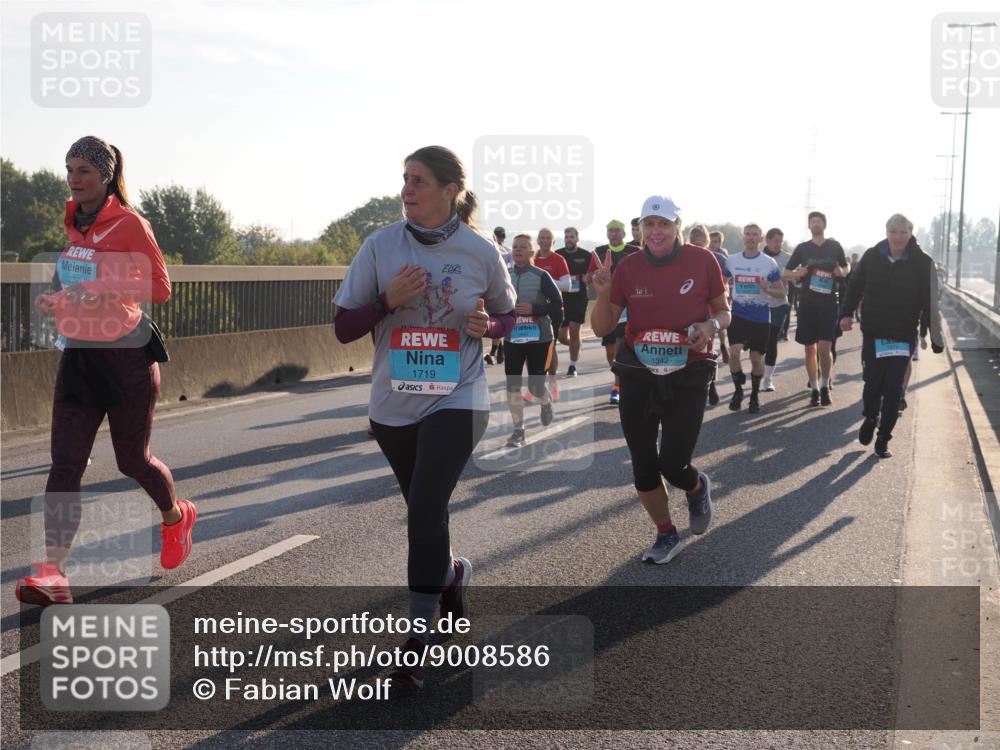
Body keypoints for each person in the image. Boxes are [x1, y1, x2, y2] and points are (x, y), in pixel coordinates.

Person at [333, 145, 516, 689]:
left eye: (419, 181)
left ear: (449, 190)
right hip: (392, 404)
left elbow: (507, 316)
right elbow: (343, 328)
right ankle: (452, 573)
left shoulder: (481, 251)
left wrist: (490, 328)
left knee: (426, 507)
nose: (407, 189)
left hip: (459, 395)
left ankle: (417, 639)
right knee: (425, 511)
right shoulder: (381, 245)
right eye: (405, 179)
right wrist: (387, 300)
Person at [16, 136, 191, 607]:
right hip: (80, 356)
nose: (73, 179)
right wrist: (59, 299)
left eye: (83, 171)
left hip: (127, 359)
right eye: (69, 169)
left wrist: (100, 283)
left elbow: (159, 286)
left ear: (106, 176)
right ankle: (52, 572)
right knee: (65, 463)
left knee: (132, 461)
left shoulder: (131, 223)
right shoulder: (74, 222)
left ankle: (175, 517)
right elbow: (79, 281)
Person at [591, 196, 731, 564]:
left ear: (676, 227)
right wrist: (603, 291)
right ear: (640, 229)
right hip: (638, 370)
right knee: (642, 462)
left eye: (663, 225)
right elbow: (603, 327)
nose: (655, 232)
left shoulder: (703, 260)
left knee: (673, 462)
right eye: (649, 225)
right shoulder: (629, 266)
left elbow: (723, 311)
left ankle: (696, 486)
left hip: (689, 369)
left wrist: (709, 325)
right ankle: (666, 533)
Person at [839, 214, 942, 458]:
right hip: (874, 332)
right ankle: (871, 417)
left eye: (902, 232)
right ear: (886, 232)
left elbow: (931, 301)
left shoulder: (923, 262)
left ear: (910, 233)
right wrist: (846, 314)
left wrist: (934, 336)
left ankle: (884, 438)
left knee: (894, 387)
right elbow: (855, 285)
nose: (897, 237)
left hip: (903, 334)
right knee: (873, 383)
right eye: (893, 232)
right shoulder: (872, 256)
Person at [782, 211, 849, 407]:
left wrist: (841, 271)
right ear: (809, 226)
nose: (816, 224)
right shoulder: (802, 248)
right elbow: (785, 273)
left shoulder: (834, 246)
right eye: (812, 221)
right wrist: (797, 273)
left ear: (824, 225)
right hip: (808, 302)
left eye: (819, 221)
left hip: (828, 302)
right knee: (809, 349)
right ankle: (814, 388)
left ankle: (825, 384)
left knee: (825, 346)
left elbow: (846, 268)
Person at [503, 233, 563, 446]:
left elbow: (557, 303)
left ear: (531, 251)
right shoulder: (505, 275)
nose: (518, 249)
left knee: (536, 386)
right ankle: (518, 430)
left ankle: (545, 402)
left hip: (539, 337)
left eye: (523, 246)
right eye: (515, 246)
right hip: (512, 338)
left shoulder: (541, 275)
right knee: (512, 385)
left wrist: (534, 308)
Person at [723, 224, 785, 413]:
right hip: (739, 315)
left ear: (761, 238)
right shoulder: (732, 260)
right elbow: (723, 282)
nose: (751, 238)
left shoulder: (768, 263)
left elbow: (781, 292)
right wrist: (724, 296)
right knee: (734, 352)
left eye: (755, 235)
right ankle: (738, 391)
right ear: (743, 237)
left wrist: (767, 289)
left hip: (760, 318)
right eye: (748, 234)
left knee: (756, 359)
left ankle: (755, 395)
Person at [587, 219, 638, 405]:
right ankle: (620, 376)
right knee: (611, 351)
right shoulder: (599, 252)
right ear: (607, 233)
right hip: (606, 304)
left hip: (627, 306)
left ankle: (617, 387)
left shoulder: (634, 252)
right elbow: (587, 277)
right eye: (611, 231)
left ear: (624, 234)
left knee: (619, 346)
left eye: (617, 230)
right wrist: (595, 276)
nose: (614, 234)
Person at [689, 224, 730, 405]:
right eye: (694, 244)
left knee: (707, 350)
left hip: (710, 307)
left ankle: (711, 385)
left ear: (706, 242)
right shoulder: (684, 257)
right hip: (690, 307)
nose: (698, 247)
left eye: (701, 244)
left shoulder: (718, 258)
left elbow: (725, 283)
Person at [531, 227, 571, 401]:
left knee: (549, 347)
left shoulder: (558, 259)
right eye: (542, 237)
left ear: (553, 242)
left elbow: (566, 285)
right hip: (531, 309)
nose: (545, 240)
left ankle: (552, 383)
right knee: (530, 348)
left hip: (552, 309)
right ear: (537, 240)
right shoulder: (531, 258)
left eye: (548, 238)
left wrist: (545, 280)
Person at [556, 227, 593, 377]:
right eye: (566, 237)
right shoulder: (558, 255)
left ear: (577, 238)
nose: (568, 239)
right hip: (562, 298)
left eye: (571, 237)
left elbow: (592, 273)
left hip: (579, 298)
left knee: (574, 330)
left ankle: (572, 366)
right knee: (561, 337)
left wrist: (587, 277)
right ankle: (575, 345)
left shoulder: (585, 255)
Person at [762, 227, 793, 391]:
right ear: (767, 240)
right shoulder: (759, 257)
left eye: (781, 241)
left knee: (772, 340)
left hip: (779, 304)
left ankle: (767, 379)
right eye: (776, 241)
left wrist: (791, 275)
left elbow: (794, 276)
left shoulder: (787, 258)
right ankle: (760, 368)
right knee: (761, 342)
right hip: (760, 304)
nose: (778, 245)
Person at [484, 226, 512, 366]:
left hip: (502, 289)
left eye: (501, 236)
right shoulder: (488, 250)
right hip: (489, 287)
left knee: (498, 319)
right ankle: (499, 350)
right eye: (498, 236)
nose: (500, 239)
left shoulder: (508, 252)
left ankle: (495, 351)